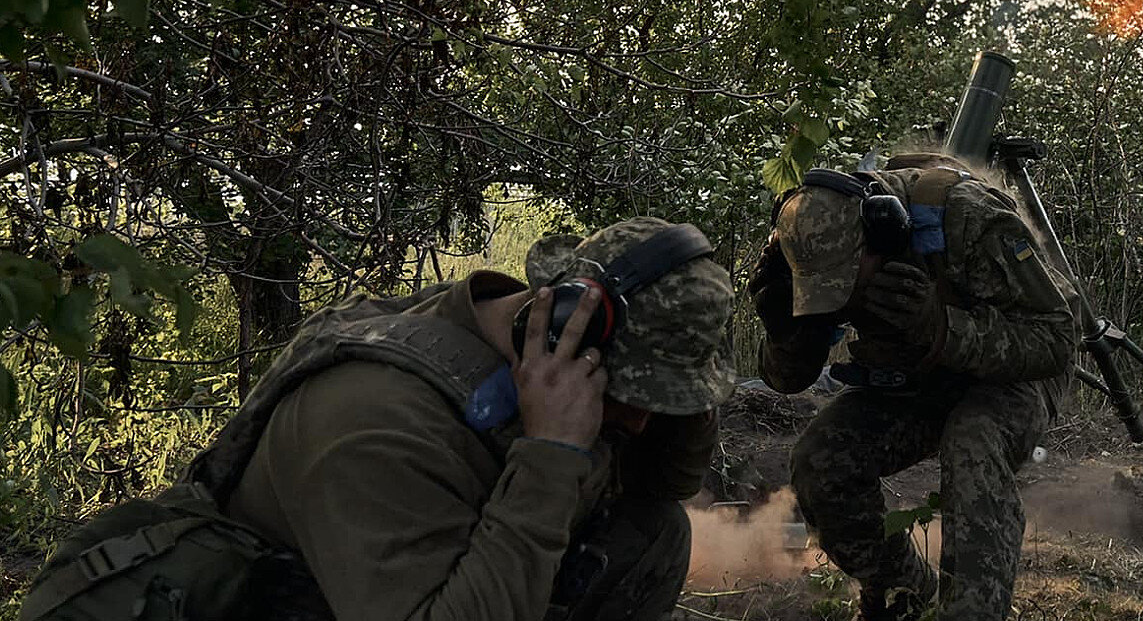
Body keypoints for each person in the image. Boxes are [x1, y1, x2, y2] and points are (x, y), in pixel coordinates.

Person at [23, 216, 733, 621]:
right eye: (635, 394)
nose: (639, 422)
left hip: (400, 572)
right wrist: (549, 455)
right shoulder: (375, 422)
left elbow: (667, 482)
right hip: (279, 598)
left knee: (651, 533)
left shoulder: (521, 329)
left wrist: (678, 396)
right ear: (562, 323)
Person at [751, 160, 1082, 621]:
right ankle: (906, 595)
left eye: (847, 283)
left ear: (882, 233)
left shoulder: (970, 221)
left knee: (973, 440)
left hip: (1012, 372)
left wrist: (943, 328)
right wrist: (785, 330)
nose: (840, 300)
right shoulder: (808, 247)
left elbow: (1057, 339)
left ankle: (970, 612)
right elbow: (788, 381)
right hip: (918, 373)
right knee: (822, 458)